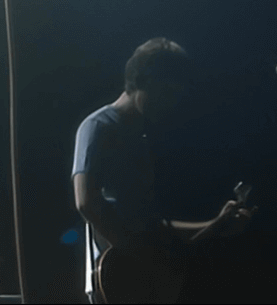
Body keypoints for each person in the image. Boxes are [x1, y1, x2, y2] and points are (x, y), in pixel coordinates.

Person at [72, 38, 254, 304]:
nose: (170, 103)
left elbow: (152, 227)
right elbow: (86, 203)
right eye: (165, 93)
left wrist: (215, 224)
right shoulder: (98, 127)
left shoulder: (140, 138)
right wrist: (141, 257)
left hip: (148, 281)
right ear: (142, 81)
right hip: (121, 281)